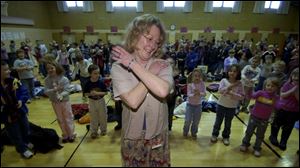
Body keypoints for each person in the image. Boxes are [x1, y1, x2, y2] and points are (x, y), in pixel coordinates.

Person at [110, 14, 173, 167]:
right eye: (149, 38)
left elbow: (163, 90)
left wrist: (133, 64)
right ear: (135, 35)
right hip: (132, 137)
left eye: (157, 42)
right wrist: (149, 71)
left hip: (158, 136)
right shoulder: (119, 67)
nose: (152, 46)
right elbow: (133, 101)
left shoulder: (163, 64)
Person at [0, 60, 34, 159]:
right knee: (15, 133)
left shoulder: (13, 81)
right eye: (5, 70)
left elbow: (24, 91)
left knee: (26, 128)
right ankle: (22, 149)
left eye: (8, 69)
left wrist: (21, 100)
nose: (9, 71)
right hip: (8, 115)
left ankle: (26, 142)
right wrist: (4, 118)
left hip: (20, 111)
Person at [240, 77, 280, 157]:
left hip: (264, 120)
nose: (270, 87)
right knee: (249, 131)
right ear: (265, 86)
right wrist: (250, 88)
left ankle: (257, 148)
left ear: (276, 88)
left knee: (260, 135)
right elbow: (251, 96)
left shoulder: (276, 97)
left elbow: (278, 107)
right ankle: (245, 144)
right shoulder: (260, 93)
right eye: (268, 85)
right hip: (254, 117)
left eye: (273, 86)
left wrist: (281, 101)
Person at [210, 64, 244, 146]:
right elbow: (220, 91)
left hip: (231, 107)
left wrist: (233, 94)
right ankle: (215, 134)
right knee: (218, 121)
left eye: (235, 71)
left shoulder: (240, 84)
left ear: (238, 73)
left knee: (228, 123)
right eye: (230, 71)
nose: (232, 73)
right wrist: (230, 87)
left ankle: (226, 136)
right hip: (221, 105)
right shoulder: (223, 81)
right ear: (228, 72)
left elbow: (242, 96)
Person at [44, 60, 76, 143]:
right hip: (55, 102)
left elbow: (67, 89)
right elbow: (45, 91)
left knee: (68, 117)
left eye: (52, 68)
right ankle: (65, 135)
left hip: (65, 102)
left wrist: (62, 95)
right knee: (60, 119)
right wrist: (53, 90)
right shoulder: (47, 80)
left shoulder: (63, 78)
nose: (50, 70)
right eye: (48, 69)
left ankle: (71, 134)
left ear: (56, 68)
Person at [269, 68, 299, 151]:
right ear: (291, 76)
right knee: (276, 123)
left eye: (298, 77)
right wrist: (292, 90)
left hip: (294, 111)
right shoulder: (287, 84)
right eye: (294, 76)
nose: (296, 78)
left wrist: (296, 92)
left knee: (288, 128)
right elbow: (282, 95)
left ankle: (283, 141)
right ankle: (273, 136)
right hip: (282, 108)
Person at [83, 64, 108, 139]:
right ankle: (94, 131)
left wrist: (97, 93)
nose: (97, 75)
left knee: (103, 116)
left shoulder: (101, 82)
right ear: (90, 74)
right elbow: (85, 93)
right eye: (95, 73)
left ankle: (103, 130)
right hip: (92, 101)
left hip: (101, 101)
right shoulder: (87, 83)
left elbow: (106, 92)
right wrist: (90, 93)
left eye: (98, 73)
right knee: (93, 116)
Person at [183, 68, 206, 139]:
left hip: (198, 105)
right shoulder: (190, 84)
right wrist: (194, 94)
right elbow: (188, 95)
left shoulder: (202, 84)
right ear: (193, 76)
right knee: (187, 120)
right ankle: (185, 131)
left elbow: (204, 93)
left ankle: (194, 132)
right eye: (195, 76)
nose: (197, 78)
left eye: (199, 76)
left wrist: (199, 93)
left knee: (196, 121)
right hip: (189, 105)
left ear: (201, 76)